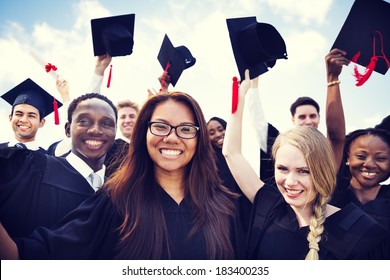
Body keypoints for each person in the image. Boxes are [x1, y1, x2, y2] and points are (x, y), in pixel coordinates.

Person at [0, 91, 243, 260]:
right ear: (142, 134)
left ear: (199, 139)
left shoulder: (225, 206)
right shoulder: (116, 201)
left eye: (186, 129)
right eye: (160, 126)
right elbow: (32, 255)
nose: (172, 137)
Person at [222, 69, 390, 260]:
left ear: (324, 171)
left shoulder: (365, 236)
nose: (290, 181)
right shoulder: (270, 204)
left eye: (304, 171)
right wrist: (241, 95)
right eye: (282, 168)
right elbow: (231, 153)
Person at [0, 93, 117, 238]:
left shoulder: (120, 191)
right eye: (84, 121)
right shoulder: (33, 169)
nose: (95, 130)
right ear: (68, 130)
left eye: (106, 123)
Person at [258, 48, 348, 184]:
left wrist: (332, 79)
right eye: (302, 117)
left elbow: (335, 137)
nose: (308, 121)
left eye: (312, 116)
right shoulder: (280, 146)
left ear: (319, 118)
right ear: (293, 120)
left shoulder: (326, 153)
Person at [330, 128, 390, 231]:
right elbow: (335, 137)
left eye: (380, 158)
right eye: (361, 156)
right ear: (348, 157)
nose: (369, 164)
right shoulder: (332, 195)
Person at [207, 116, 252, 234]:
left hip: (246, 211)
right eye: (211, 133)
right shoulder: (208, 164)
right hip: (224, 216)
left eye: (221, 129)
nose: (218, 134)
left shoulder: (238, 156)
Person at [0, 78, 65, 153]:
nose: (23, 120)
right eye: (19, 114)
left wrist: (65, 96)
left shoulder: (48, 159)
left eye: (31, 116)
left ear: (41, 123)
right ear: (10, 118)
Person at [104, 99, 139, 177]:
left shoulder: (146, 147)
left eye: (132, 116)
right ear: (116, 122)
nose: (127, 120)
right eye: (123, 117)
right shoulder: (109, 148)